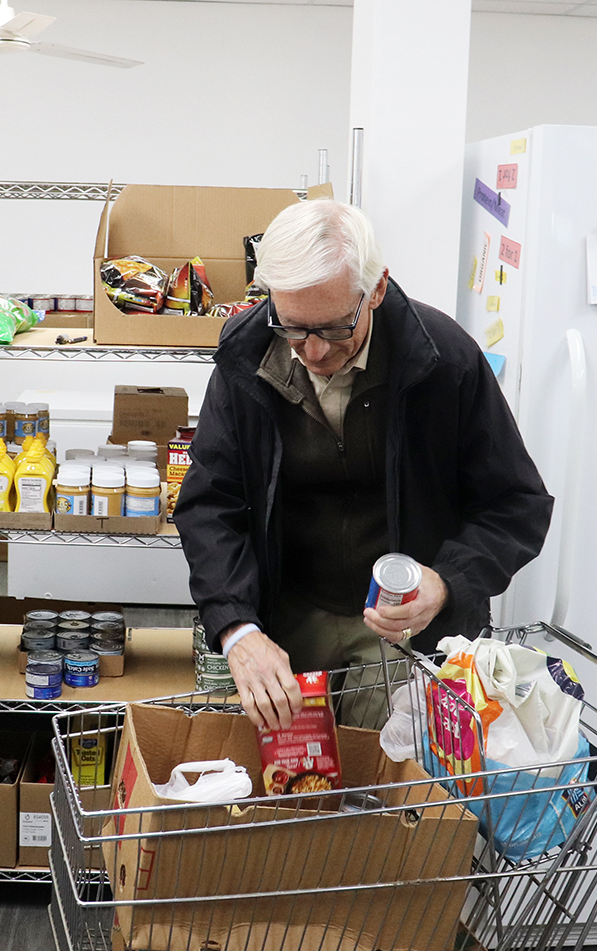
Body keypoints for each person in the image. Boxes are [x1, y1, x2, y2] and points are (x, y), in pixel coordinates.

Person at [173, 199, 553, 733]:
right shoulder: (246, 359)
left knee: (394, 800)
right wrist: (237, 629)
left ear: (376, 290)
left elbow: (516, 504)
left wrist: (446, 583)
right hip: (288, 615)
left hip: (409, 629)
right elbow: (210, 504)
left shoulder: (443, 362)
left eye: (331, 328)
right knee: (291, 790)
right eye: (291, 326)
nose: (310, 351)